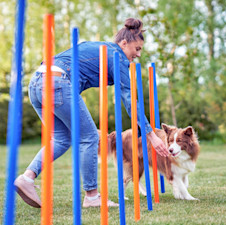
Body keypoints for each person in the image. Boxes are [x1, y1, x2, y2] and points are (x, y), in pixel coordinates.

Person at [14, 18, 169, 208]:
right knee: (88, 138)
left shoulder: (96, 47)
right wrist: (151, 135)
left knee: (62, 139)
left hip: (37, 82)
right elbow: (130, 100)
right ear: (124, 43)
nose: (138, 54)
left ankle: (27, 178)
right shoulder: (116, 56)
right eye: (137, 49)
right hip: (57, 83)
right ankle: (92, 196)